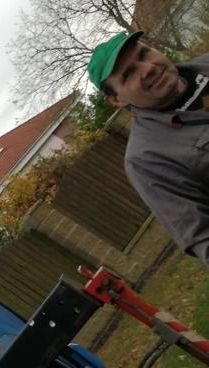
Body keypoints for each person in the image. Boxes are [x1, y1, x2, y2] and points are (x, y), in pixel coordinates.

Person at [88, 31, 209, 266]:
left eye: (144, 54)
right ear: (117, 100)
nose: (148, 68)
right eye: (129, 74)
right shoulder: (147, 159)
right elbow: (202, 236)